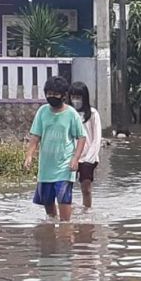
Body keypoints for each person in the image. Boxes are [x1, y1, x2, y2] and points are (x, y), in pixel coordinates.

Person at [24, 76, 86, 222]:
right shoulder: (42, 112)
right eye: (49, 93)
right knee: (49, 213)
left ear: (64, 95)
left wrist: (75, 158)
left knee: (64, 205)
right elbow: (35, 136)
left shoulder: (71, 114)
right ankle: (50, 240)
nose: (52, 97)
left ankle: (66, 237)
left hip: (64, 167)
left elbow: (82, 137)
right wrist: (29, 155)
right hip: (45, 168)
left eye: (55, 94)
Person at [68, 81, 102, 210]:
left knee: (86, 188)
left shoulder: (93, 114)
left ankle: (87, 212)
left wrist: (89, 159)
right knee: (66, 188)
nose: (75, 100)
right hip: (70, 156)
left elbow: (97, 138)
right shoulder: (68, 114)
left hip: (88, 158)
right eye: (73, 97)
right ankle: (68, 212)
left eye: (78, 97)